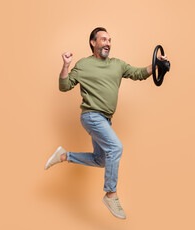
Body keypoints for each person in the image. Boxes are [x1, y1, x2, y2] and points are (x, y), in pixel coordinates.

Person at [44, 27, 167, 219]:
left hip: (105, 120)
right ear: (93, 43)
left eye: (109, 40)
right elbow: (64, 86)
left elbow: (139, 73)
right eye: (103, 39)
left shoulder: (117, 64)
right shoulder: (83, 65)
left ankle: (64, 156)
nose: (108, 43)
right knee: (115, 148)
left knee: (101, 159)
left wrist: (157, 65)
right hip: (91, 116)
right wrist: (66, 66)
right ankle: (111, 194)